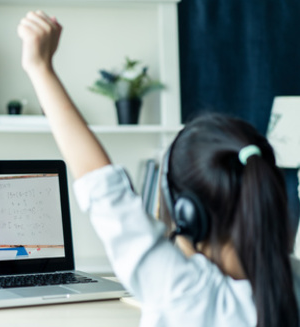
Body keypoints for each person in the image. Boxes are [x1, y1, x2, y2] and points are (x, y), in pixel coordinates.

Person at [17, 11, 300, 327]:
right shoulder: (292, 283)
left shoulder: (183, 291)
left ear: (188, 214)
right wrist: (41, 69)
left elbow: (104, 188)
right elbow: (103, 188)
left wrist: (39, 66)